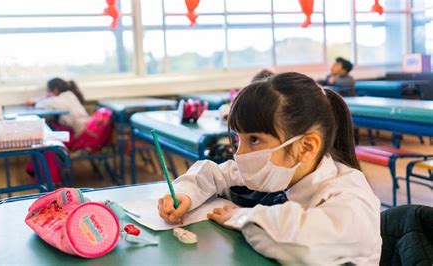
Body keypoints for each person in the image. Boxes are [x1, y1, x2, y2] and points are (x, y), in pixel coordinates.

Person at [158, 72, 381, 265]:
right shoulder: (283, 169)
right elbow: (216, 173)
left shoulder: (351, 199)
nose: (240, 154)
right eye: (238, 139)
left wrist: (240, 217)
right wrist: (185, 193)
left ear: (306, 147)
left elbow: (300, 243)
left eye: (254, 140)